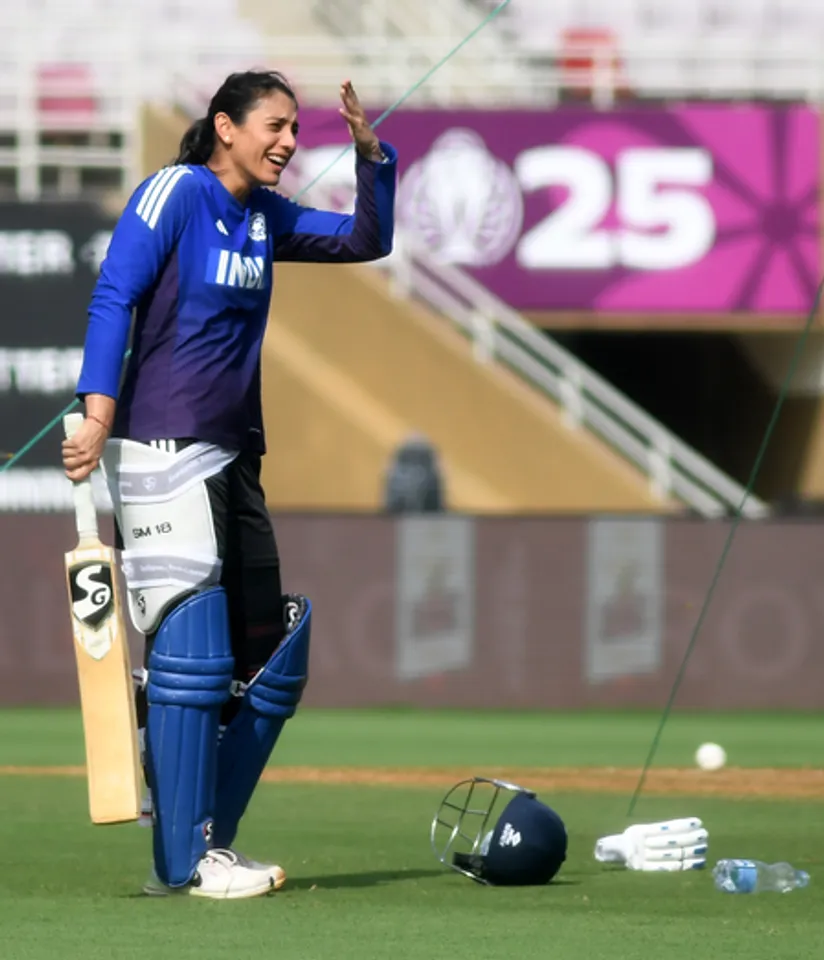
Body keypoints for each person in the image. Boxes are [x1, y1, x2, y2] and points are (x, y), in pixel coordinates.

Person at [61, 70, 397, 900]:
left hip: (237, 455)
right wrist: (97, 411)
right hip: (160, 449)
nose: (288, 141)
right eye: (275, 126)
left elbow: (364, 240)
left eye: (295, 128)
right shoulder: (175, 192)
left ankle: (204, 830)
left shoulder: (262, 215)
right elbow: (116, 295)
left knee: (271, 659)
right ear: (225, 127)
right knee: (195, 658)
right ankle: (184, 860)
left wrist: (369, 155)